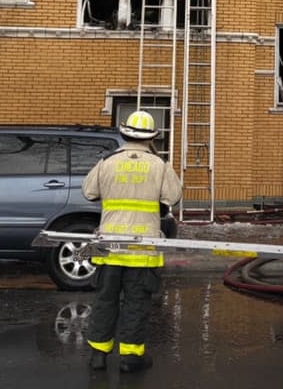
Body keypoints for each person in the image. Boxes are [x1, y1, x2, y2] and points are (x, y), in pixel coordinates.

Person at [82, 109, 182, 373]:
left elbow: (89, 192)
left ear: (124, 133)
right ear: (152, 138)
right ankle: (130, 358)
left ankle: (98, 355)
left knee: (105, 300)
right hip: (142, 248)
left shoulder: (107, 161)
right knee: (136, 303)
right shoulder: (159, 165)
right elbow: (173, 196)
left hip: (109, 248)